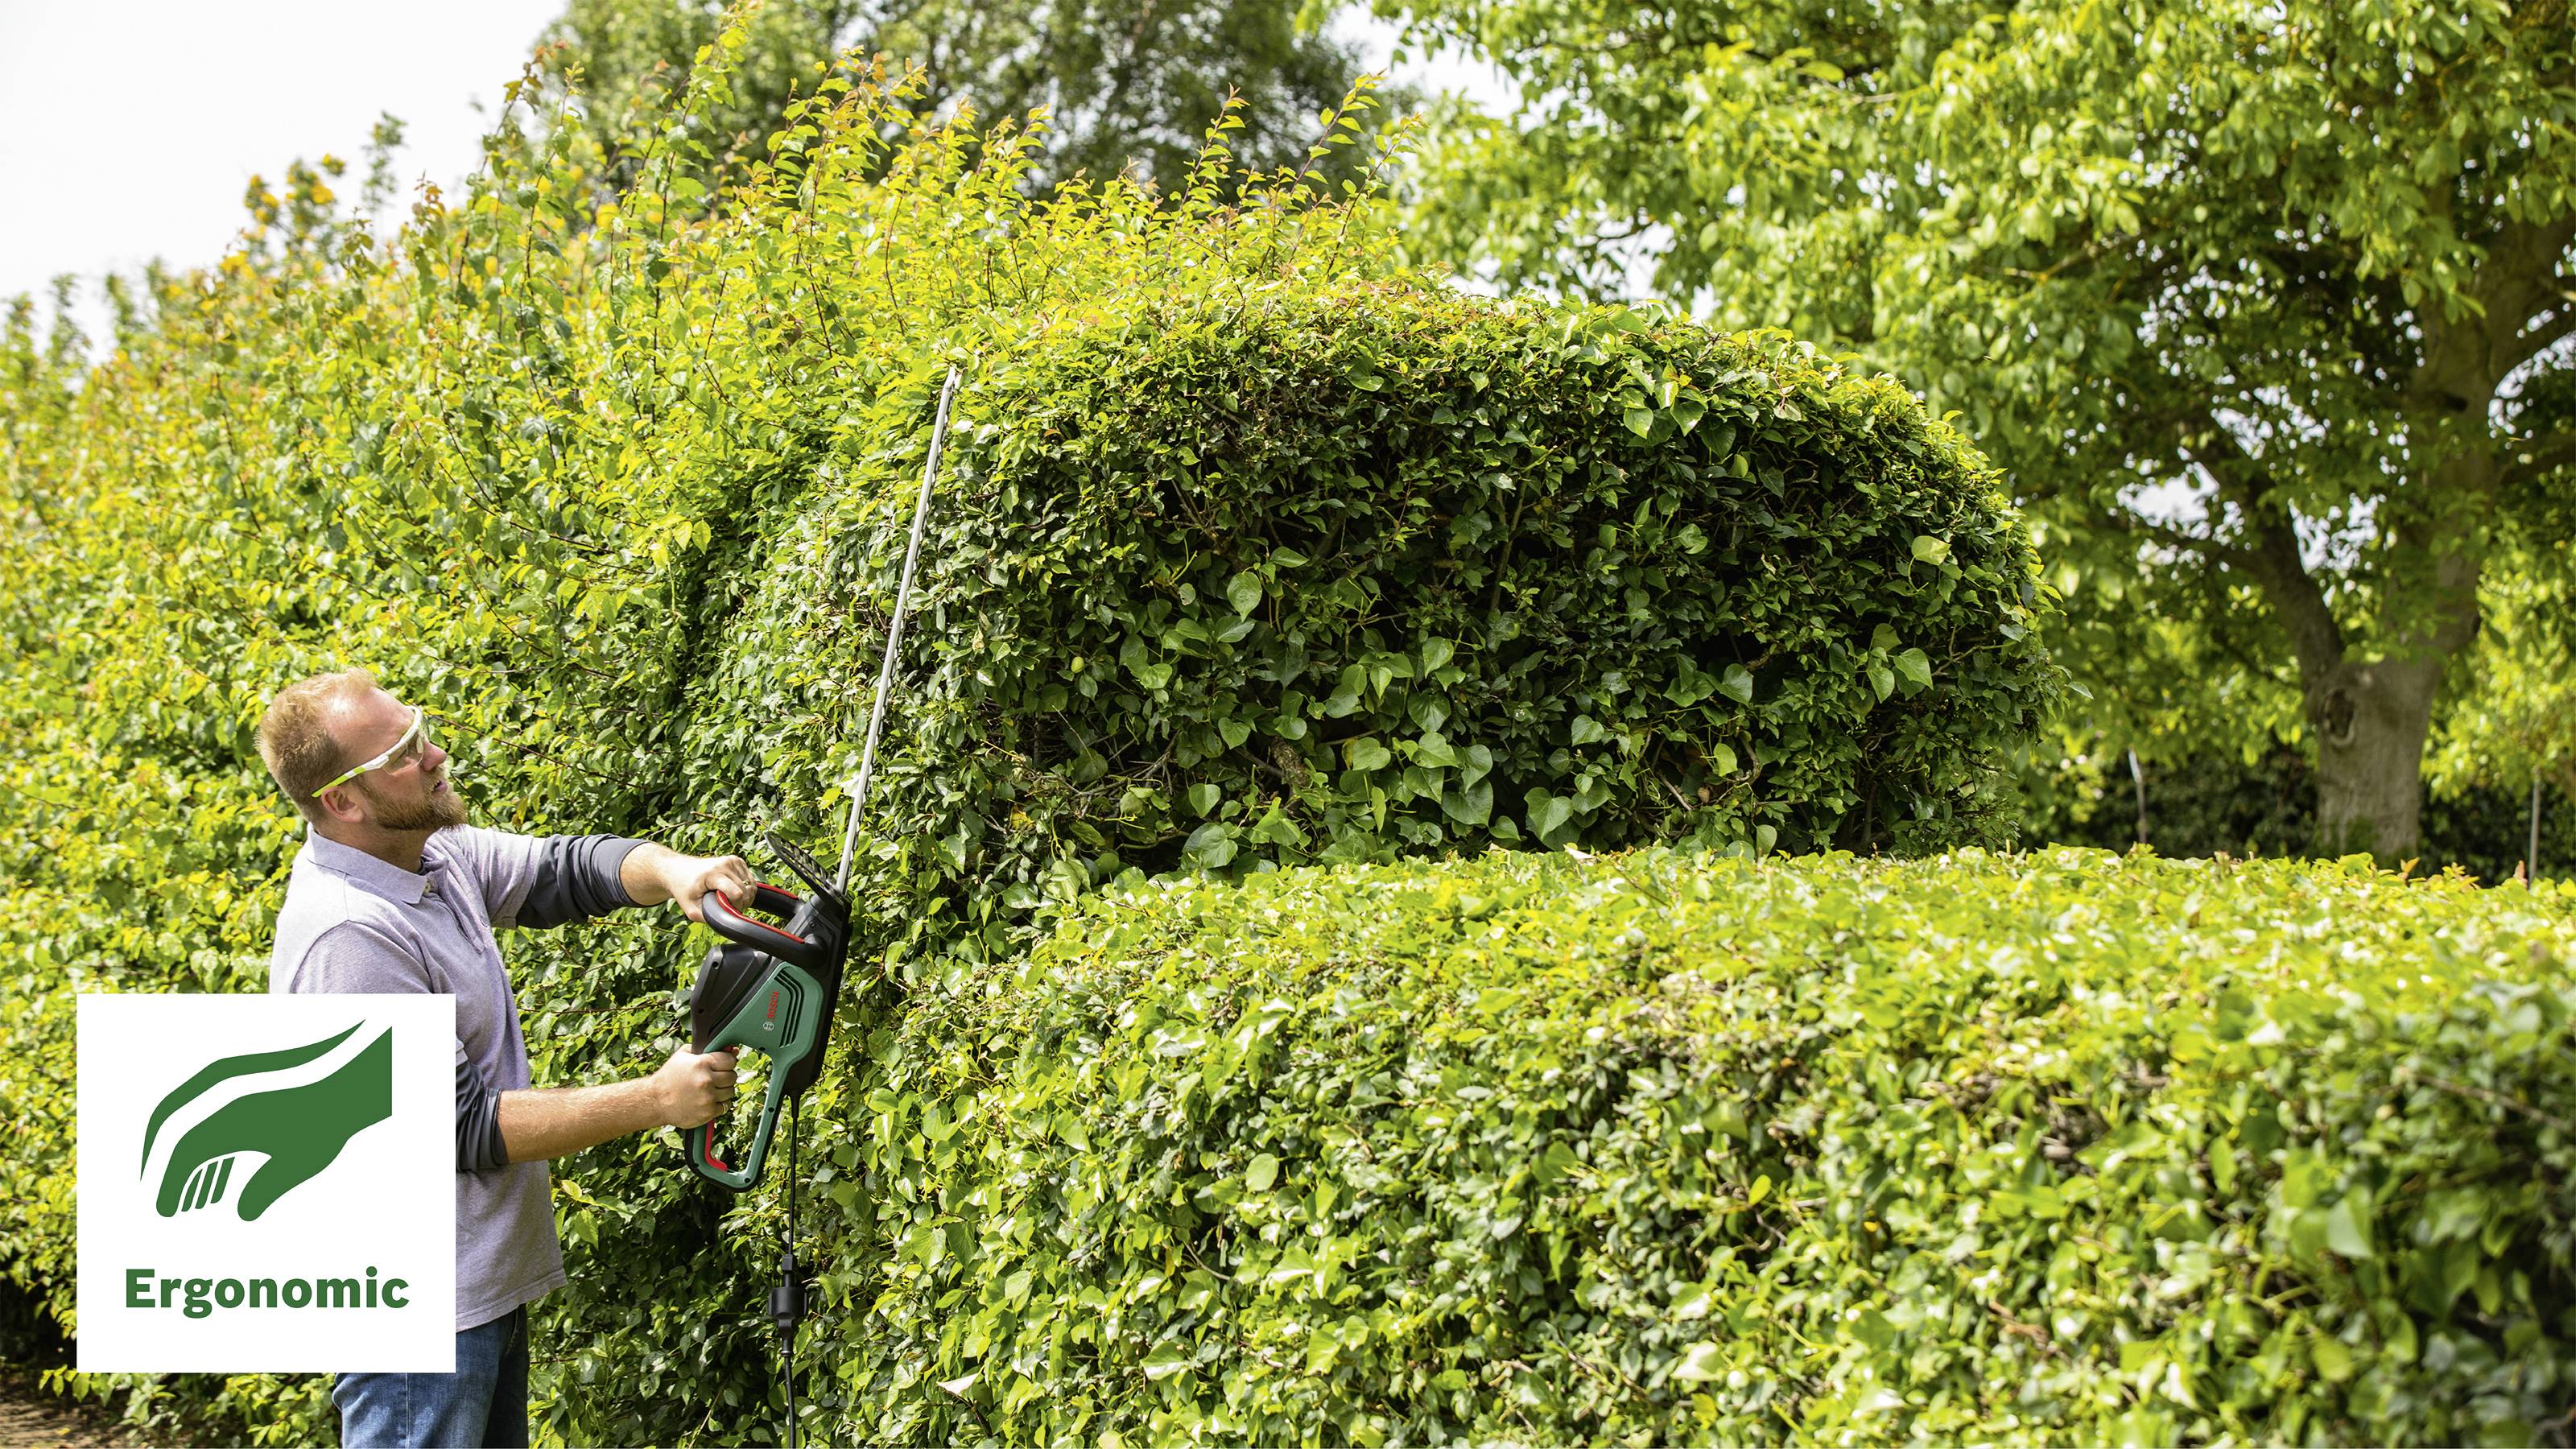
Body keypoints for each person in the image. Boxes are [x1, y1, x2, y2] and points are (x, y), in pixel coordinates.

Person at [257, 668, 749, 1448]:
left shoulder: (428, 855)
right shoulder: (349, 934)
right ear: (342, 802)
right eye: (404, 752)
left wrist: (675, 871)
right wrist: (658, 1099)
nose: (434, 754)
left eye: (421, 731)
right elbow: (460, 1128)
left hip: (472, 1295)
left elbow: (564, 872)